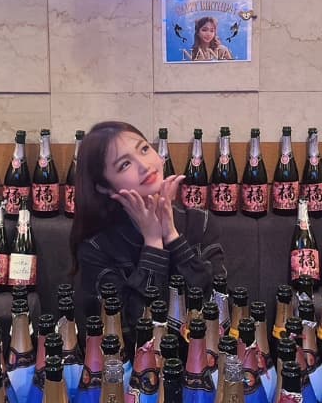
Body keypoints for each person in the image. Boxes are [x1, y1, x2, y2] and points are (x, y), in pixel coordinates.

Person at [70, 121, 227, 332]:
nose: (144, 166)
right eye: (125, 164)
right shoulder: (96, 247)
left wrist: (171, 236)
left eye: (144, 149)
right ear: (105, 187)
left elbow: (219, 312)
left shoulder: (200, 223)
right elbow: (129, 330)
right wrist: (153, 244)